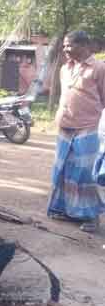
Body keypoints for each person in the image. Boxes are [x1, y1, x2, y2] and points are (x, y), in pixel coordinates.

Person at [47, 30, 105, 233]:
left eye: (68, 45)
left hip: (88, 128)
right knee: (63, 170)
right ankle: (65, 210)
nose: (65, 49)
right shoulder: (65, 68)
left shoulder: (99, 68)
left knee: (84, 174)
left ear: (83, 45)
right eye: (64, 46)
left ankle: (91, 217)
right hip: (65, 127)